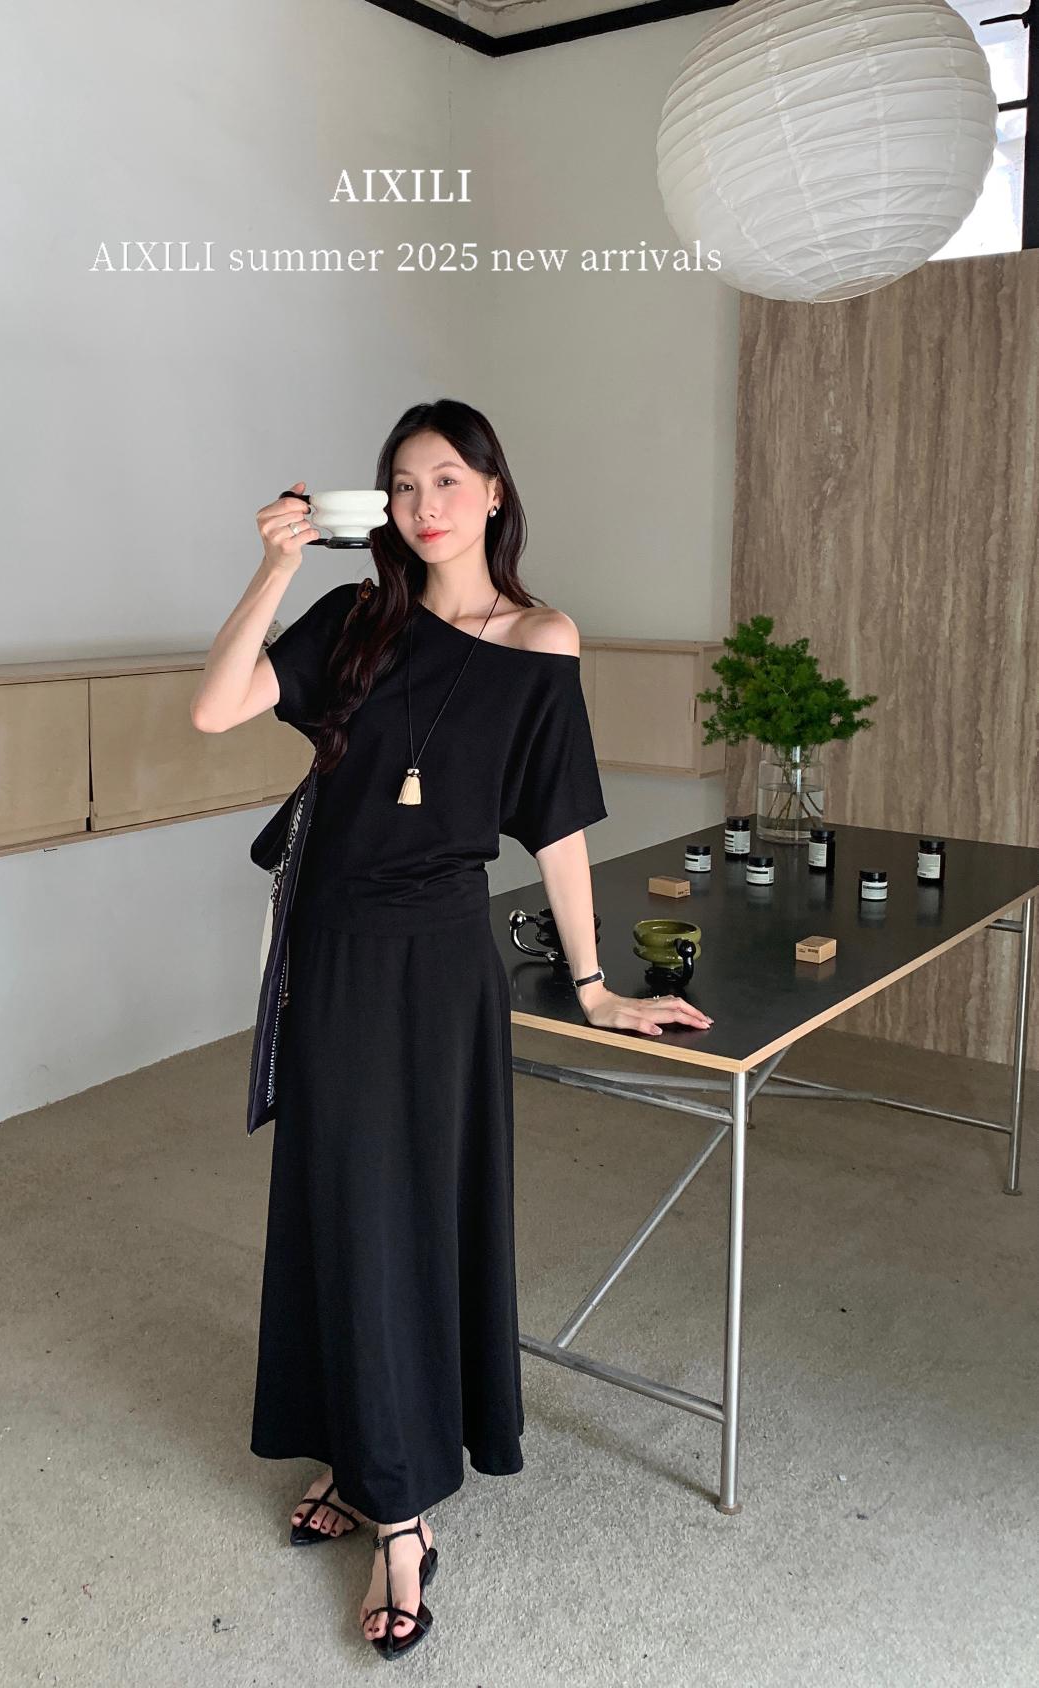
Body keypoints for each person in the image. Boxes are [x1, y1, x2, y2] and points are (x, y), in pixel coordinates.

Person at [191, 398, 712, 1656]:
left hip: (437, 965)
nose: (424, 505)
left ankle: (405, 1513)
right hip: (331, 948)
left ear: (491, 490)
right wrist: (272, 566)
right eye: (402, 484)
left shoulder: (542, 639)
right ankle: (359, 1447)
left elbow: (559, 822)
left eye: (446, 478)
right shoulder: (352, 620)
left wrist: (595, 981)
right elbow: (214, 708)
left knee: (406, 1215)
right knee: (335, 1200)